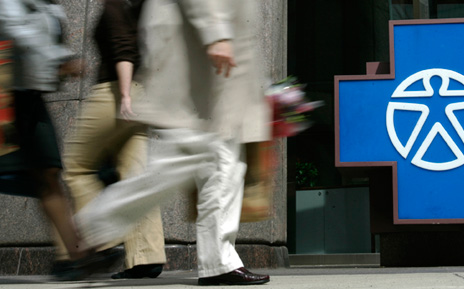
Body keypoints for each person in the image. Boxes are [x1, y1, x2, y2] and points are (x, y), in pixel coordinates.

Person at [73, 0, 271, 285]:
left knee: (224, 166)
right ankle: (93, 225)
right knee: (184, 158)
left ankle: (219, 263)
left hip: (215, 62)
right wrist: (217, 34)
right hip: (198, 57)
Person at [0, 0, 121, 281]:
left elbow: (43, 36)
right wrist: (59, 59)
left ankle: (80, 255)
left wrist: (60, 58)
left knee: (49, 173)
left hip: (28, 95)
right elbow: (15, 28)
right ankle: (80, 254)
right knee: (45, 176)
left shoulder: (48, 5)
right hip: (7, 96)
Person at [54, 0, 166, 279]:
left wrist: (125, 95)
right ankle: (146, 256)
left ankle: (100, 243)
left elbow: (123, 48)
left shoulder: (116, 4)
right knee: (135, 175)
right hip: (144, 94)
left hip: (115, 92)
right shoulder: (146, 7)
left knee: (76, 167)